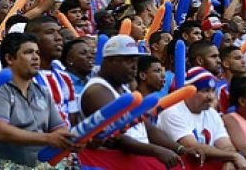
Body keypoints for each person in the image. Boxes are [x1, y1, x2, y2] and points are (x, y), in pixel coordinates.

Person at [81, 35, 193, 166]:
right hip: (112, 163)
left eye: (135, 61)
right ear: (110, 61)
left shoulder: (124, 89)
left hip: (137, 160)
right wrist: (157, 151)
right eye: (129, 61)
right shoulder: (97, 91)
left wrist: (180, 149)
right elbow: (116, 137)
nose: (135, 66)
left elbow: (146, 127)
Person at [0, 32, 80, 166]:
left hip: (41, 164)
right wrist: (47, 138)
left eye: (37, 53)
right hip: (6, 165)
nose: (36, 58)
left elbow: (60, 128)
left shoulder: (42, 91)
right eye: (28, 52)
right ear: (9, 58)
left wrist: (66, 139)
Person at [158, 67, 246, 169]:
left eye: (213, 91)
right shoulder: (172, 113)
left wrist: (229, 161)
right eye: (205, 91)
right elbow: (193, 146)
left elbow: (226, 145)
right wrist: (234, 156)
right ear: (189, 91)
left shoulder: (212, 113)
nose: (211, 97)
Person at [26, 15, 77, 126]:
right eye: (50, 32)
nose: (58, 38)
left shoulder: (65, 77)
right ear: (33, 39)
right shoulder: (24, 79)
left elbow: (73, 119)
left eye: (59, 32)